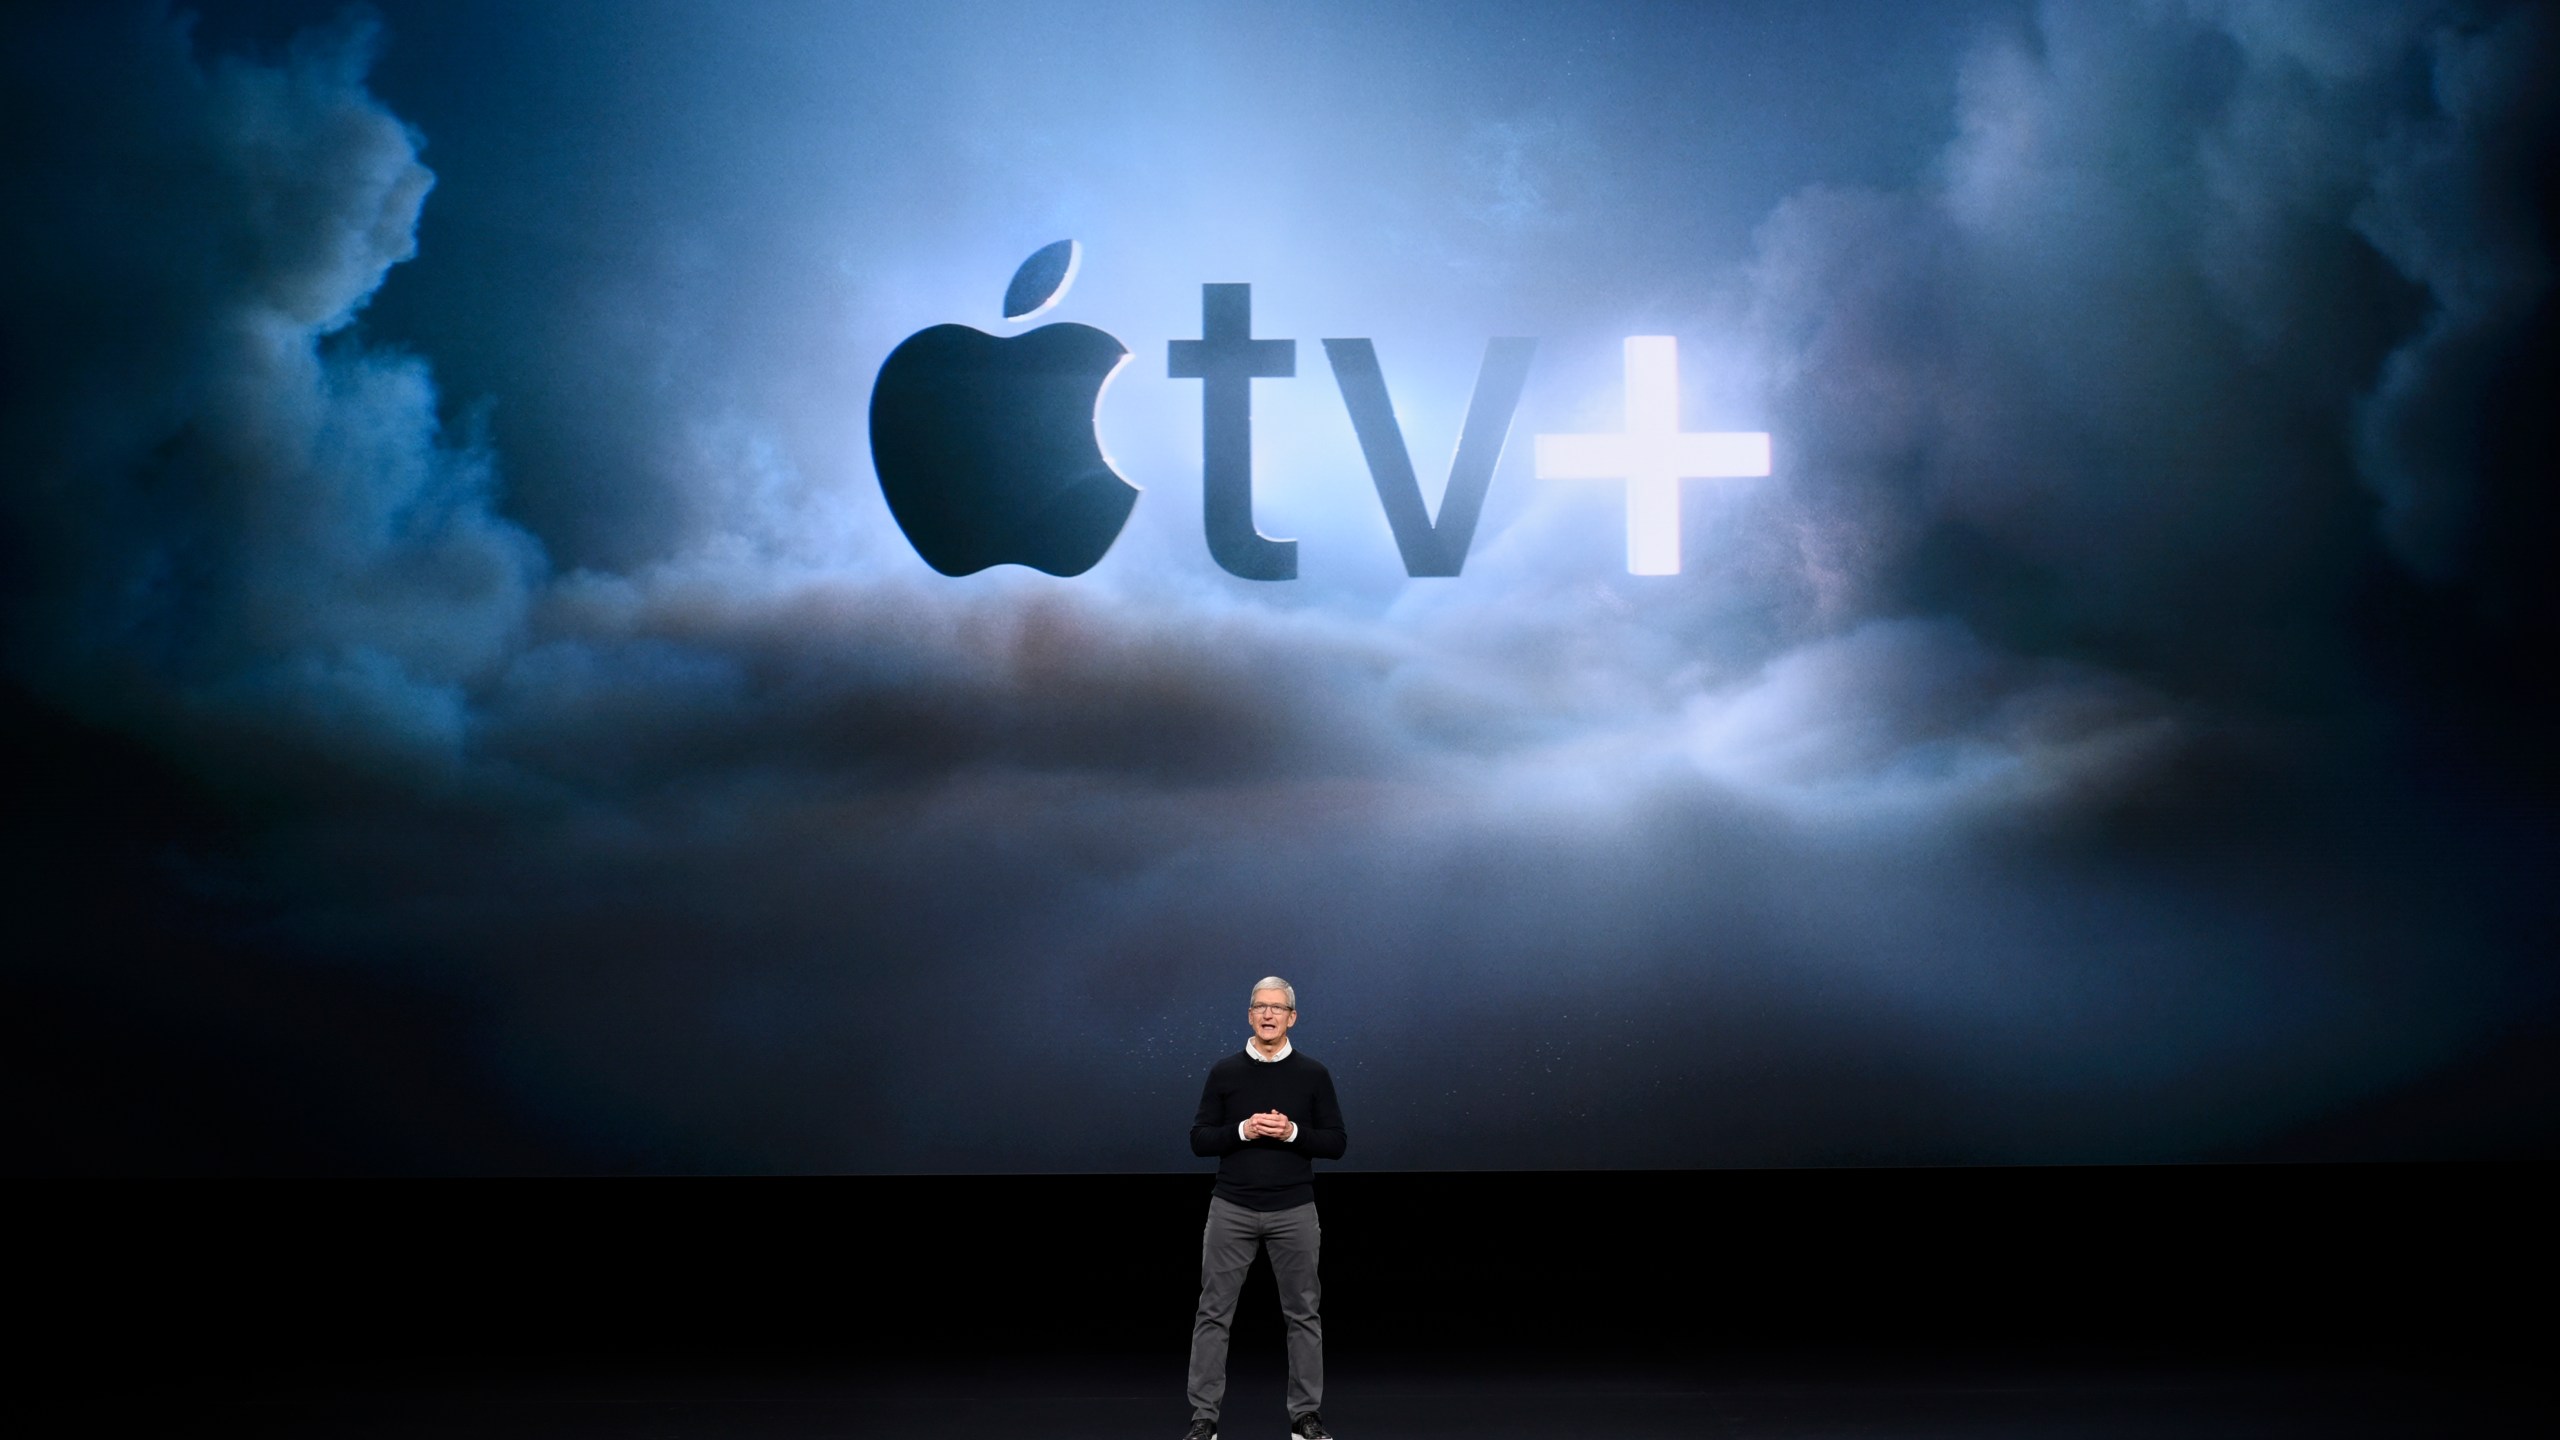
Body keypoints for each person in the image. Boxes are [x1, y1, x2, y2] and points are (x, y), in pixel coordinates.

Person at [1182, 977, 1347, 1440]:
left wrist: (1292, 1131)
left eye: (1277, 1008)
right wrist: (1244, 1131)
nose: (1268, 1014)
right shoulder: (1224, 1072)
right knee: (1213, 1313)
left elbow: (1336, 1142)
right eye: (1260, 1006)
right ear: (1250, 1015)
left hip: (1294, 1208)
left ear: (1292, 1017)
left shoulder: (1313, 1074)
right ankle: (1204, 1417)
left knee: (1303, 1313)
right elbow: (1199, 1139)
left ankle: (1305, 1416)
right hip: (1231, 1207)